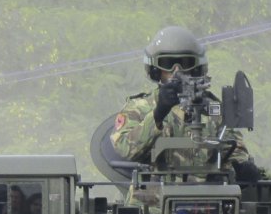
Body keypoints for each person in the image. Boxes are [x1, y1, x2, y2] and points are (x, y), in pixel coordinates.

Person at [110, 25, 259, 185]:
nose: (176, 71)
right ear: (156, 69)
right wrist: (157, 114)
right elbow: (124, 149)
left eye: (185, 63)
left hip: (206, 202)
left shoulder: (212, 109)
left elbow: (234, 150)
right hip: (151, 205)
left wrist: (241, 167)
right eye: (168, 64)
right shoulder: (139, 107)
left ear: (196, 68)